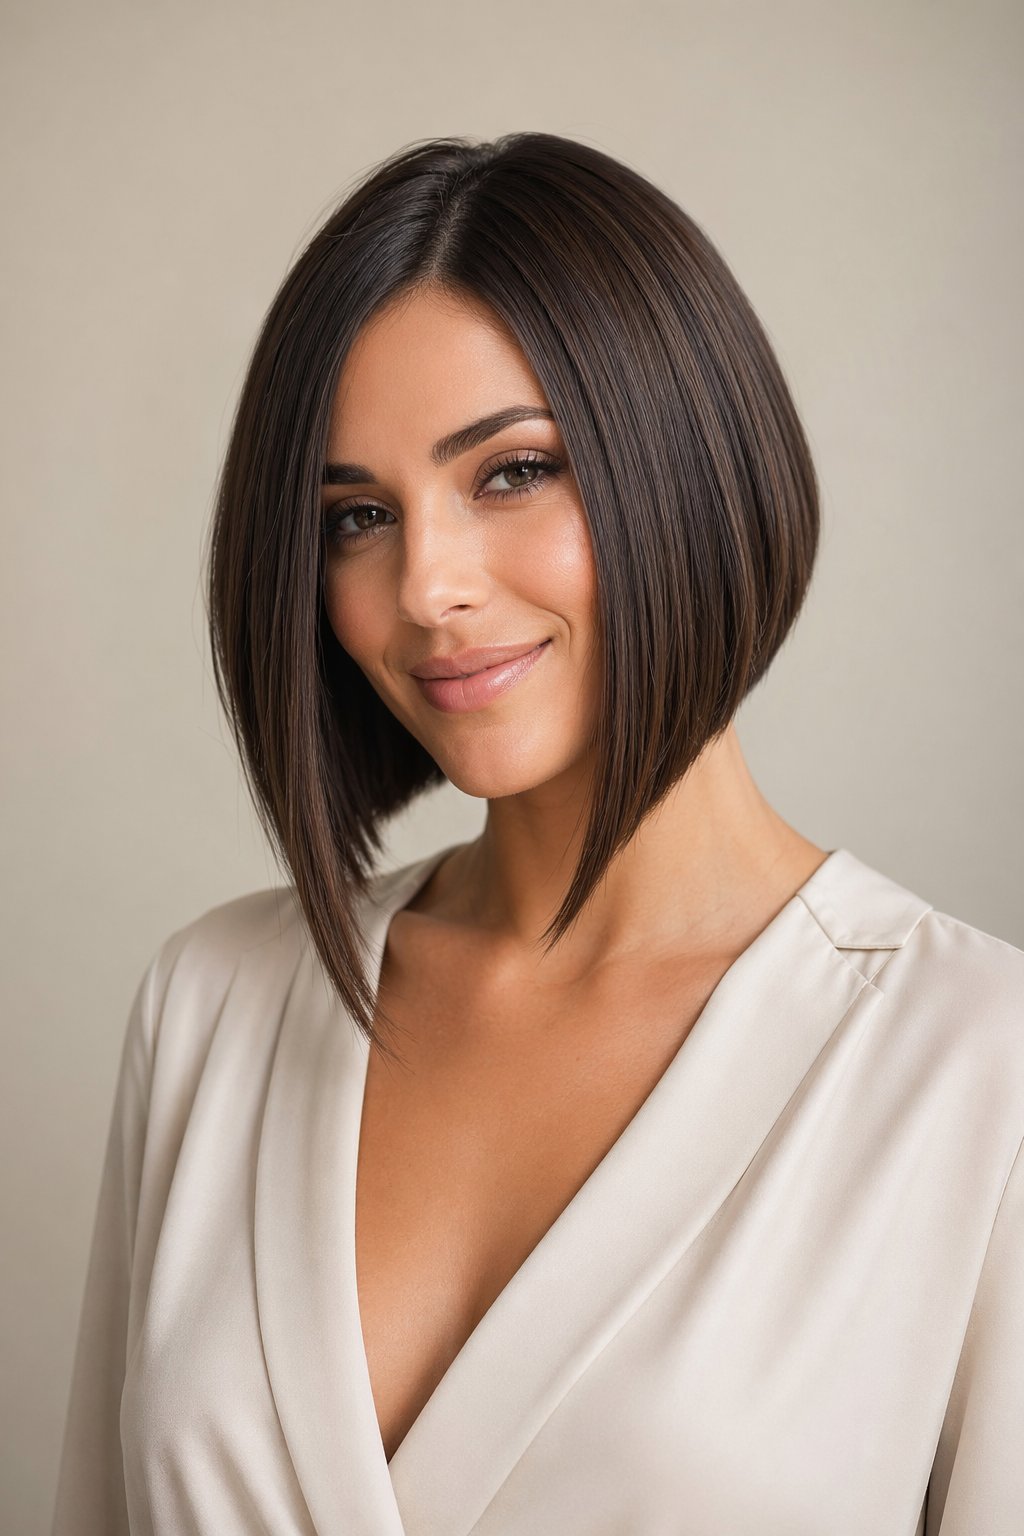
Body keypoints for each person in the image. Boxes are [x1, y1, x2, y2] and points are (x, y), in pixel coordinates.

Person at [52, 132, 1023, 1536]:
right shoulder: (216, 1009)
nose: (426, 586)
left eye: (511, 472)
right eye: (358, 517)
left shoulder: (975, 1069)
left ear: (684, 463)